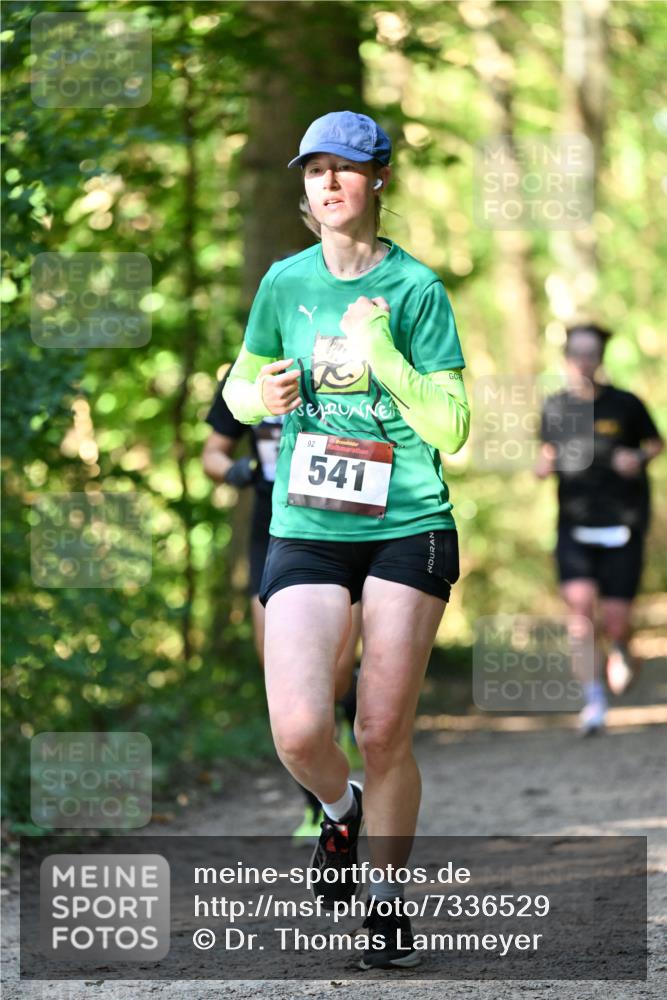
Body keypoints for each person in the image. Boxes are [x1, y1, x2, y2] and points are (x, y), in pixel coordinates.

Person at [223, 110, 470, 970]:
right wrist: (267, 399)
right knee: (297, 730)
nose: (327, 183)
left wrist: (383, 353)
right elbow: (240, 389)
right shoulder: (283, 283)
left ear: (378, 181)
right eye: (313, 169)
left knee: (380, 724)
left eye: (345, 168)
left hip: (407, 526)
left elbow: (451, 426)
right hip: (308, 524)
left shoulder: (415, 289)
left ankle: (387, 900)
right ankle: (338, 808)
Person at [201, 381, 362, 840]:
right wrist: (237, 471)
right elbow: (212, 452)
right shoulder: (247, 371)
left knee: (331, 677)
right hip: (270, 528)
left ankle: (351, 707)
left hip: (335, 522)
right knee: (287, 684)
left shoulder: (342, 361)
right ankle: (318, 809)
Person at [536, 323, 663, 734]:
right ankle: (593, 700)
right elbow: (546, 452)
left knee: (613, 619)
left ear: (601, 358)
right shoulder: (554, 406)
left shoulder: (625, 404)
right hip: (574, 523)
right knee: (580, 611)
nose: (583, 361)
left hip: (622, 523)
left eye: (591, 353)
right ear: (566, 357)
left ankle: (623, 645)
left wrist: (638, 460)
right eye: (577, 353)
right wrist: (543, 465)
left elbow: (655, 443)